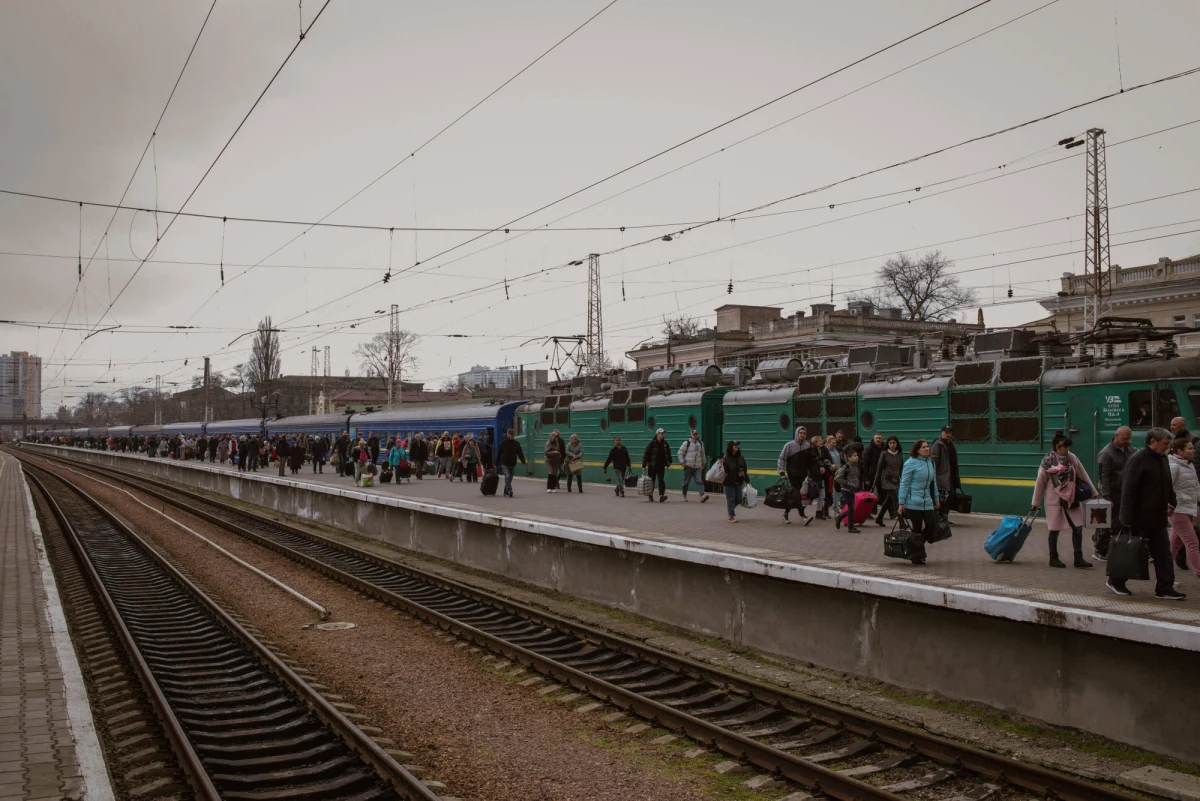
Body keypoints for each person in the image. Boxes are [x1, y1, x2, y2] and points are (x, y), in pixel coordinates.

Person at [1110, 428, 1182, 599]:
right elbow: (1129, 489)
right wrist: (1126, 518)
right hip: (1139, 517)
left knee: (1163, 553)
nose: (1168, 446)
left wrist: (1172, 501)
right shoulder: (1138, 460)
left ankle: (1164, 588)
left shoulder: (1162, 459)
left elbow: (1167, 482)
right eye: (1165, 443)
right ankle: (1116, 580)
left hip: (1157, 517)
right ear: (1153, 442)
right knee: (1134, 551)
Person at [1032, 433, 1096, 569]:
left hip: (1071, 498)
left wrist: (1094, 493)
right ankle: (1053, 558)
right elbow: (1040, 483)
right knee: (1054, 529)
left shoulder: (1072, 458)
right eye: (1065, 447)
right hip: (1054, 500)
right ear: (1057, 447)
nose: (1067, 449)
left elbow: (1083, 475)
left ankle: (1078, 558)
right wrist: (1035, 503)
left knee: (1078, 528)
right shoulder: (1047, 462)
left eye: (1068, 446)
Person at [1093, 426, 1133, 560]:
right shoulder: (1106, 453)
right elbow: (1104, 477)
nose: (1127, 441)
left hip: (1125, 492)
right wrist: (1106, 497)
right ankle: (1100, 550)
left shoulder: (1129, 449)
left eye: (1129, 438)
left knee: (1121, 521)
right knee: (1106, 522)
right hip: (1113, 492)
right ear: (1116, 436)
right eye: (1124, 438)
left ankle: (1118, 548)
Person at [897, 439, 938, 565]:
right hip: (913, 501)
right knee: (917, 529)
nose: (927, 449)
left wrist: (936, 498)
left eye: (927, 447)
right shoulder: (910, 463)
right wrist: (901, 503)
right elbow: (904, 483)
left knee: (932, 525)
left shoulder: (930, 463)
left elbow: (933, 483)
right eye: (924, 447)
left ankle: (913, 546)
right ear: (917, 450)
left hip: (927, 500)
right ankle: (917, 556)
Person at [1168, 437, 1200, 581]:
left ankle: (1163, 576)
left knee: (1173, 546)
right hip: (1178, 510)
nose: (1193, 451)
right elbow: (1167, 488)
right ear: (1180, 451)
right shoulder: (1174, 466)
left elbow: (1195, 486)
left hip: (1188, 509)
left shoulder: (1188, 464)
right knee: (1192, 543)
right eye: (1190, 448)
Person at [777, 426, 821, 523]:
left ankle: (785, 514)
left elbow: (812, 459)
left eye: (804, 433)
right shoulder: (789, 445)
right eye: (800, 433)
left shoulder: (807, 446)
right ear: (797, 433)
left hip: (803, 475)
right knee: (797, 495)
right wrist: (781, 472)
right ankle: (803, 516)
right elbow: (781, 458)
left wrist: (820, 466)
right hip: (792, 475)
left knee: (799, 496)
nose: (802, 435)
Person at [930, 425, 961, 522]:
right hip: (942, 476)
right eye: (946, 432)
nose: (949, 434)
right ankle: (939, 517)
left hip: (951, 475)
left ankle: (943, 517)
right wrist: (934, 475)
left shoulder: (951, 443)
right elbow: (934, 460)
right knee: (944, 498)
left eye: (950, 433)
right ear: (942, 432)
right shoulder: (938, 444)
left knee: (949, 497)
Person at [873, 435, 903, 527]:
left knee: (888, 501)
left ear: (897, 444)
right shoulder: (884, 454)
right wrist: (875, 483)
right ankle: (901, 522)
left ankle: (879, 518)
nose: (892, 445)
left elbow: (901, 468)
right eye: (890, 443)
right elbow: (879, 469)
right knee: (895, 500)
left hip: (896, 480)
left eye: (894, 443)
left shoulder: (899, 454)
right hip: (887, 480)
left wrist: (902, 479)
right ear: (888, 444)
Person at [834, 449, 863, 533]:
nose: (857, 457)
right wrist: (848, 483)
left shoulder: (856, 466)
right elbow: (838, 478)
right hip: (845, 489)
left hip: (852, 490)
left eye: (857, 455)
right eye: (854, 456)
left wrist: (857, 484)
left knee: (852, 509)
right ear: (849, 458)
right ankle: (851, 527)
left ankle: (839, 518)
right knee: (851, 508)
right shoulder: (846, 467)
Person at [721, 440, 749, 523]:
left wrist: (747, 479)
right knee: (731, 499)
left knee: (739, 499)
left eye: (737, 445)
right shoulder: (726, 458)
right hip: (729, 481)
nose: (736, 446)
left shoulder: (741, 457)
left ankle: (730, 510)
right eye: (734, 445)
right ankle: (731, 516)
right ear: (730, 447)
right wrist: (721, 464)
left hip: (738, 481)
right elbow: (723, 471)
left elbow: (744, 469)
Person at [677, 430, 708, 503]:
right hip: (688, 466)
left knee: (699, 480)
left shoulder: (700, 443)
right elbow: (680, 453)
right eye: (694, 434)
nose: (695, 436)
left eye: (696, 434)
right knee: (686, 482)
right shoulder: (686, 443)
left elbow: (702, 454)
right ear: (691, 435)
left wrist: (703, 463)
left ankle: (702, 496)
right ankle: (684, 496)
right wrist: (682, 462)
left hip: (697, 466)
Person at [642, 428, 672, 502]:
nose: (663, 435)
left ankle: (661, 495)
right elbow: (646, 454)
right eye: (661, 433)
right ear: (657, 434)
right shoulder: (651, 443)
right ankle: (650, 495)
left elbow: (668, 453)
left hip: (661, 466)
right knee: (652, 481)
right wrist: (644, 465)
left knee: (661, 480)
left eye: (663, 433)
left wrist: (669, 462)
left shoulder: (665, 443)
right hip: (652, 466)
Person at [495, 429, 526, 498]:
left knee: (510, 479)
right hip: (504, 463)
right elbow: (499, 454)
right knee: (507, 476)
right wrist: (496, 464)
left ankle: (505, 491)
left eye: (513, 434)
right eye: (510, 434)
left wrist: (523, 461)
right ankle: (510, 491)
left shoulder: (516, 443)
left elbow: (520, 453)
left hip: (512, 463)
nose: (512, 436)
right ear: (507, 434)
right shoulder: (503, 443)